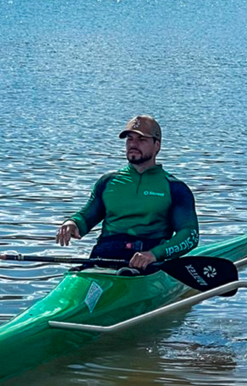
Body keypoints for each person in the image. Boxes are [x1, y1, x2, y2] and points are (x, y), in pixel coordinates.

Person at [55, 115, 198, 270]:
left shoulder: (175, 188)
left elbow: (190, 234)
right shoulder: (108, 182)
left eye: (141, 139)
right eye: (130, 138)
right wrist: (72, 223)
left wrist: (155, 254)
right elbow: (86, 217)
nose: (133, 144)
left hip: (148, 265)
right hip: (103, 259)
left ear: (157, 145)